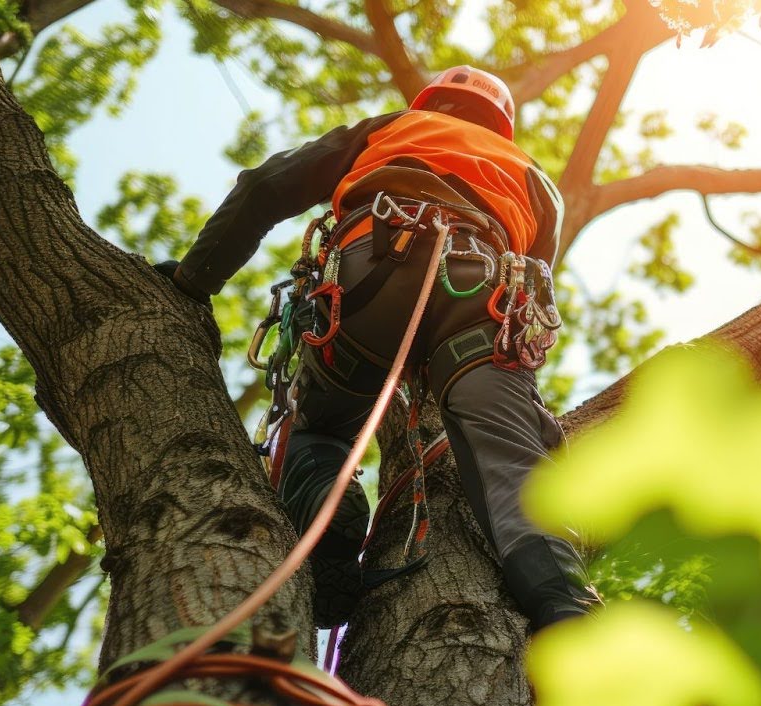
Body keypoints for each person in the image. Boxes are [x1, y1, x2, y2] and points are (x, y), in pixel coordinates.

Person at [156, 65, 599, 633]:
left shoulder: (392, 128)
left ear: (434, 101)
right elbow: (534, 284)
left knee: (321, 427)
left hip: (372, 274)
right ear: (503, 125)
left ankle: (330, 516)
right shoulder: (537, 180)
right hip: (483, 295)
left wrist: (194, 282)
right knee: (513, 461)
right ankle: (569, 609)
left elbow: (263, 189)